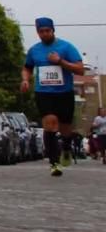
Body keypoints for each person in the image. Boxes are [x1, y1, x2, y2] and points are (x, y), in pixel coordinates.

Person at [21, 17, 84, 175]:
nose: (44, 34)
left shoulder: (66, 47)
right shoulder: (34, 50)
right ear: (37, 32)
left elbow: (80, 69)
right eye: (41, 31)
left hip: (64, 93)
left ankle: (67, 147)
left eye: (47, 31)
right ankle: (54, 163)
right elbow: (27, 67)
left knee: (65, 128)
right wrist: (25, 80)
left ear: (53, 30)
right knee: (50, 124)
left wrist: (60, 61)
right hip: (43, 92)